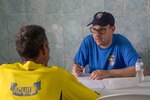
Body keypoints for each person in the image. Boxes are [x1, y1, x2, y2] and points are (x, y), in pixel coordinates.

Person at [0, 25, 100, 100]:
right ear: (44, 49)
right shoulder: (58, 75)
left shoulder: (2, 72)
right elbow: (95, 98)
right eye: (47, 45)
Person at [72, 11, 146, 80]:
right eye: (94, 30)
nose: (97, 35)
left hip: (118, 87)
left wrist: (108, 73)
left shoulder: (122, 42)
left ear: (112, 29)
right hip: (95, 85)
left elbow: (142, 70)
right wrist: (75, 69)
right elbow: (77, 65)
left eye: (101, 30)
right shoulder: (88, 42)